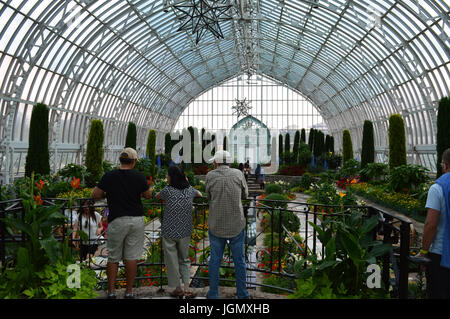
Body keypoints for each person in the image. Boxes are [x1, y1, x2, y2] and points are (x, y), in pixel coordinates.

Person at [92, 148, 152, 299]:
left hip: (117, 220)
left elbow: (95, 194)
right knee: (131, 257)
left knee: (113, 257)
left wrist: (109, 194)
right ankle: (129, 291)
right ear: (133, 161)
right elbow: (148, 195)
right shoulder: (139, 176)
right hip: (136, 220)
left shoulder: (109, 176)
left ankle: (111, 292)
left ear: (120, 160)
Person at [205, 150, 250, 299]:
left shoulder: (210, 176)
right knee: (240, 261)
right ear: (229, 162)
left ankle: (213, 293)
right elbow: (245, 195)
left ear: (216, 163)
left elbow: (208, 196)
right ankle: (242, 294)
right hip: (236, 224)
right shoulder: (238, 174)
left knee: (215, 260)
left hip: (216, 224)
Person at [156, 165, 202, 299]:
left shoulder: (167, 191)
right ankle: (187, 288)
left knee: (172, 260)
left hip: (169, 231)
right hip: (185, 230)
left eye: (167, 175)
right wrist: (188, 183)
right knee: (185, 259)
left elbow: (157, 196)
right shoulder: (190, 190)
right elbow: (199, 194)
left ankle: (177, 289)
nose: (166, 177)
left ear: (171, 177)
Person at [417, 148, 450, 298]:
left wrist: (423, 252)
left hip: (441, 256)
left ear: (444, 165)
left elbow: (431, 224)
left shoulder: (438, 188)